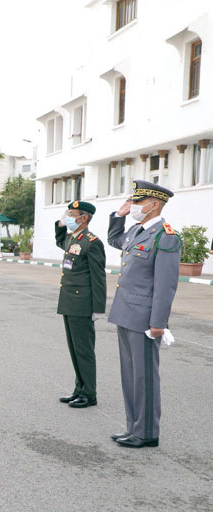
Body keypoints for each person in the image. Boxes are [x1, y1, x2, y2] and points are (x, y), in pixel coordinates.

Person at [107, 180, 181, 448]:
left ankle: (147, 432)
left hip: (145, 319)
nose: (134, 206)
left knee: (145, 377)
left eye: (137, 202)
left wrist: (158, 323)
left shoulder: (166, 236)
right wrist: (118, 216)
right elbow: (114, 239)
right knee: (130, 376)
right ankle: (134, 427)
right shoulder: (137, 231)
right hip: (125, 313)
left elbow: (165, 284)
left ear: (154, 205)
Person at [55, 200, 107, 409]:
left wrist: (98, 308)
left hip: (82, 304)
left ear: (84, 218)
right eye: (67, 213)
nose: (68, 217)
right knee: (74, 349)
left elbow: (98, 278)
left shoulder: (92, 242)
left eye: (71, 214)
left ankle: (89, 393)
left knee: (84, 350)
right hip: (69, 301)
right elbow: (60, 241)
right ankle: (79, 389)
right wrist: (60, 225)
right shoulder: (72, 238)